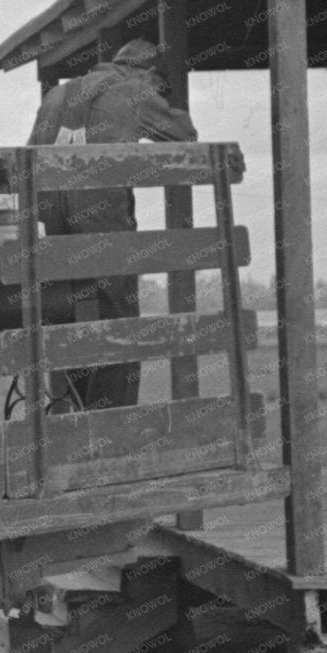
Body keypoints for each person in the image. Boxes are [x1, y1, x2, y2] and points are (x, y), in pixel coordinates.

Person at [27, 39, 198, 412]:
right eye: (159, 86)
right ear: (149, 72)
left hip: (51, 224)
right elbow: (184, 136)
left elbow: (27, 158)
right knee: (119, 320)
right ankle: (113, 424)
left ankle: (73, 414)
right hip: (101, 221)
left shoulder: (56, 95)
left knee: (68, 314)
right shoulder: (135, 90)